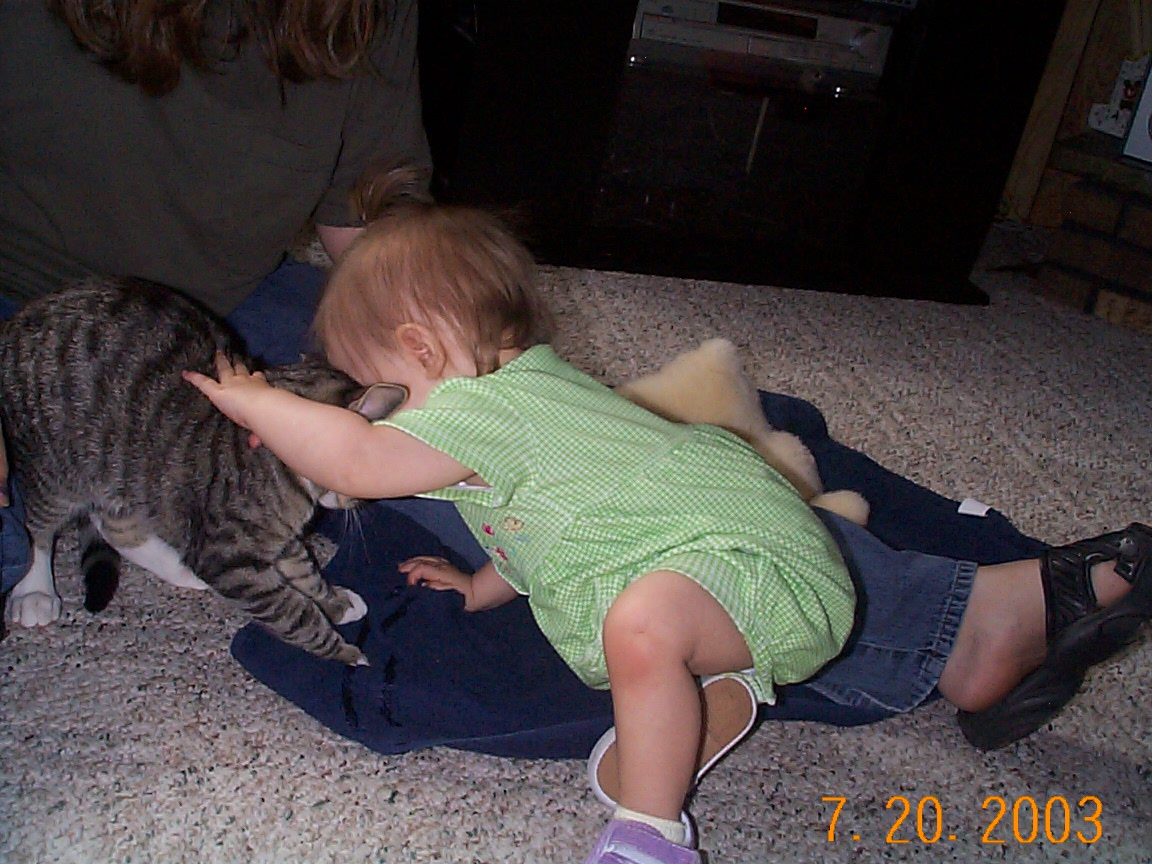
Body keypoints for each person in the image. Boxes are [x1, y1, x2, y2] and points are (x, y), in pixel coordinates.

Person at [183, 179, 1152, 864]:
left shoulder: (472, 412)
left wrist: (257, 401)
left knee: (640, 623)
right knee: (629, 610)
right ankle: (818, 659)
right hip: (746, 546)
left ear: (423, 348)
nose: (376, 408)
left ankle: (650, 835)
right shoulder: (537, 398)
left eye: (380, 386)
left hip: (743, 562)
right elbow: (544, 528)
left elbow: (354, 460)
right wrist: (478, 584)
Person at [0, 0, 430, 362]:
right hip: (24, 296)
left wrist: (438, 331)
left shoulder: (369, 13)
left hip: (215, 312)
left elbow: (365, 219)